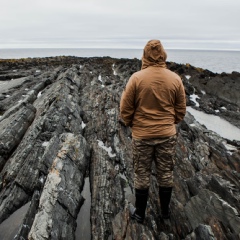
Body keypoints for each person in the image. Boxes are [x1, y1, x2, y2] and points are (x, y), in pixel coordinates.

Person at [120, 39, 186, 223]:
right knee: (165, 173)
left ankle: (140, 214)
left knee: (141, 173)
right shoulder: (175, 78)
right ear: (163, 54)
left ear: (145, 55)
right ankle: (165, 213)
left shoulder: (136, 78)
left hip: (142, 136)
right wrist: (169, 123)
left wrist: (133, 124)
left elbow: (125, 108)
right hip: (167, 135)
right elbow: (181, 109)